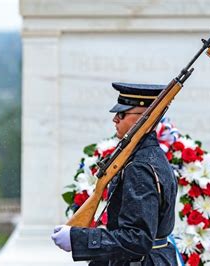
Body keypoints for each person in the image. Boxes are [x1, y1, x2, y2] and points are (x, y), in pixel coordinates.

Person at [51, 82, 178, 265]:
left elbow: (137, 238)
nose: (115, 119)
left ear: (144, 118)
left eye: (122, 114)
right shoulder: (148, 156)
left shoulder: (139, 167)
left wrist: (79, 238)